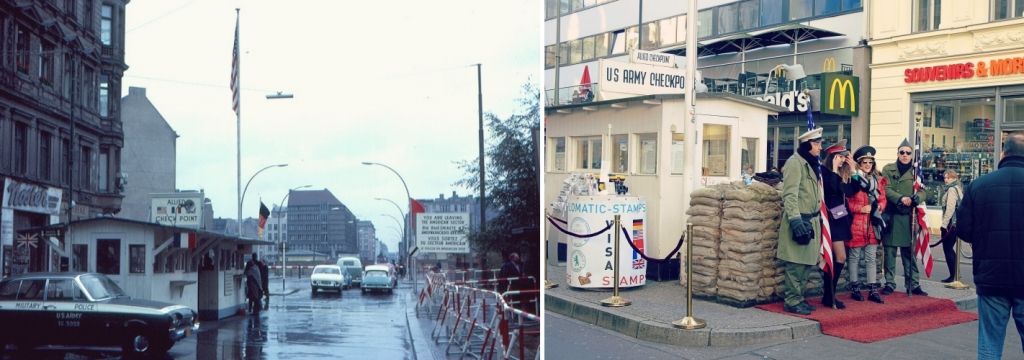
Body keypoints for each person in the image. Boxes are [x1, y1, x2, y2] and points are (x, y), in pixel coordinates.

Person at [957, 131, 1024, 360]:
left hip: (992, 276)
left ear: (1004, 153)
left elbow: (964, 230)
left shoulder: (979, 185)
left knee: (989, 347)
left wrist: (984, 240)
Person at [777, 127, 824, 315]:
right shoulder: (795, 163)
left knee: (806, 264)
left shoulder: (809, 163)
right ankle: (792, 300)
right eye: (817, 144)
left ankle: (799, 298)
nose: (821, 147)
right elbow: (790, 195)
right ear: (808, 145)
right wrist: (796, 221)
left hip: (811, 221)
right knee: (795, 265)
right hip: (800, 220)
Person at [880, 138, 927, 296]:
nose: (905, 155)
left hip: (908, 217)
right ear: (898, 153)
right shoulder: (888, 169)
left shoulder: (916, 172)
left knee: (909, 253)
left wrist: (916, 198)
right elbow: (885, 188)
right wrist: (901, 198)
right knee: (890, 253)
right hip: (892, 214)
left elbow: (923, 191)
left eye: (908, 152)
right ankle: (889, 283)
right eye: (902, 152)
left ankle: (913, 283)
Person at [819, 139, 859, 309]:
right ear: (832, 157)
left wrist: (854, 170)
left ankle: (829, 294)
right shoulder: (824, 172)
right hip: (831, 220)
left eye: (844, 157)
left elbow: (852, 191)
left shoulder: (844, 173)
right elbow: (832, 190)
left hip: (841, 220)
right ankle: (829, 294)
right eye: (840, 157)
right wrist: (835, 170)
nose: (843, 160)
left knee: (838, 258)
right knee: (839, 257)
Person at [846, 145, 887, 304]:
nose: (868, 165)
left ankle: (872, 289)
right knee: (854, 257)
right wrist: (859, 209)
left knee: (871, 258)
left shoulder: (878, 181)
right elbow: (848, 202)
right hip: (857, 222)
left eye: (870, 162)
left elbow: (883, 200)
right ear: (859, 164)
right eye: (865, 162)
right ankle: (855, 287)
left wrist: (878, 208)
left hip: (872, 224)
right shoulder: (853, 179)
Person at [939, 169, 964, 283]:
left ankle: (953, 275)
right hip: (956, 223)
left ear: (954, 178)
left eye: (948, 177)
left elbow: (950, 209)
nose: (946, 180)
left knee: (947, 249)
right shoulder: (958, 188)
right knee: (950, 249)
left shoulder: (952, 190)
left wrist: (944, 225)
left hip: (950, 224)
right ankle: (955, 274)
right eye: (944, 177)